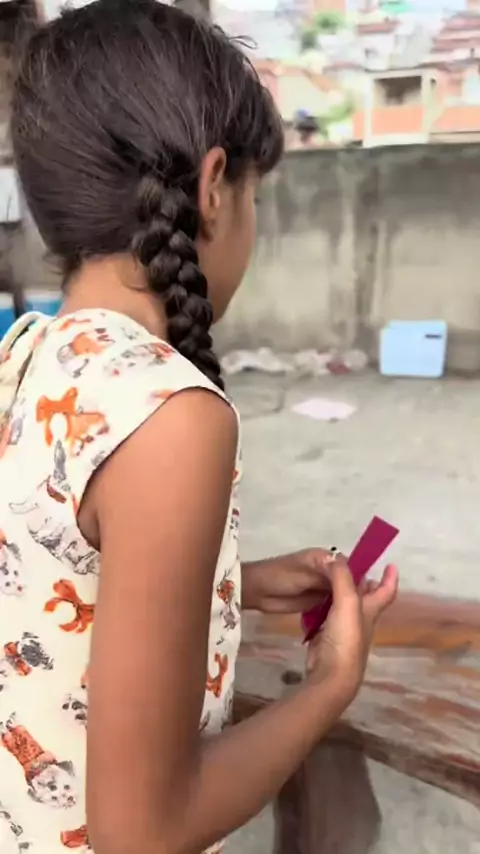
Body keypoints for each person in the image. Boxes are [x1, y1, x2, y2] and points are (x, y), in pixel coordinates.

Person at [0, 2, 398, 853]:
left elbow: (43, 571)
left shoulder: (26, 354)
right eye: (255, 196)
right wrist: (328, 686)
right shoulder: (170, 416)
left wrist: (227, 583)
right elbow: (143, 833)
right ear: (214, 188)